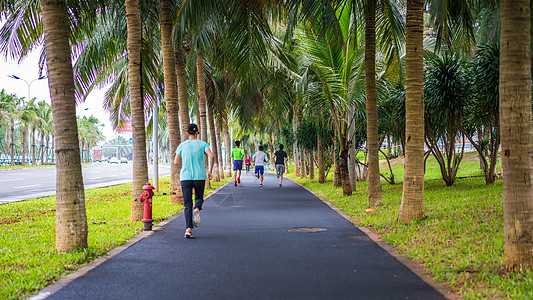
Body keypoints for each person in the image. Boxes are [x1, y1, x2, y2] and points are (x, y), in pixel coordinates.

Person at [174, 124, 214, 238]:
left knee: (187, 204)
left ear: (187, 133)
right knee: (199, 198)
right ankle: (197, 208)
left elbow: (175, 162)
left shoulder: (182, 145)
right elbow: (211, 156)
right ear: (198, 132)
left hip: (185, 177)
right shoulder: (202, 144)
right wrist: (210, 171)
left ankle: (188, 229)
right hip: (199, 176)